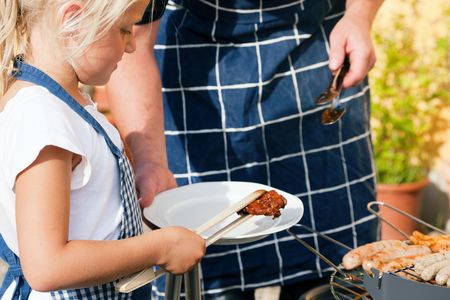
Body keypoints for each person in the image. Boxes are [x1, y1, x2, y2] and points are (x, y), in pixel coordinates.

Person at [106, 0, 384, 299]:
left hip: (317, 63)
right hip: (196, 83)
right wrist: (151, 162)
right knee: (202, 272)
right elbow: (134, 38)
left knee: (340, 272)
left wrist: (359, 15)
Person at [0, 0, 205, 299]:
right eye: (124, 28)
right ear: (73, 22)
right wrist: (162, 246)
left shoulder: (62, 102)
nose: (132, 45)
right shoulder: (43, 117)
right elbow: (47, 266)